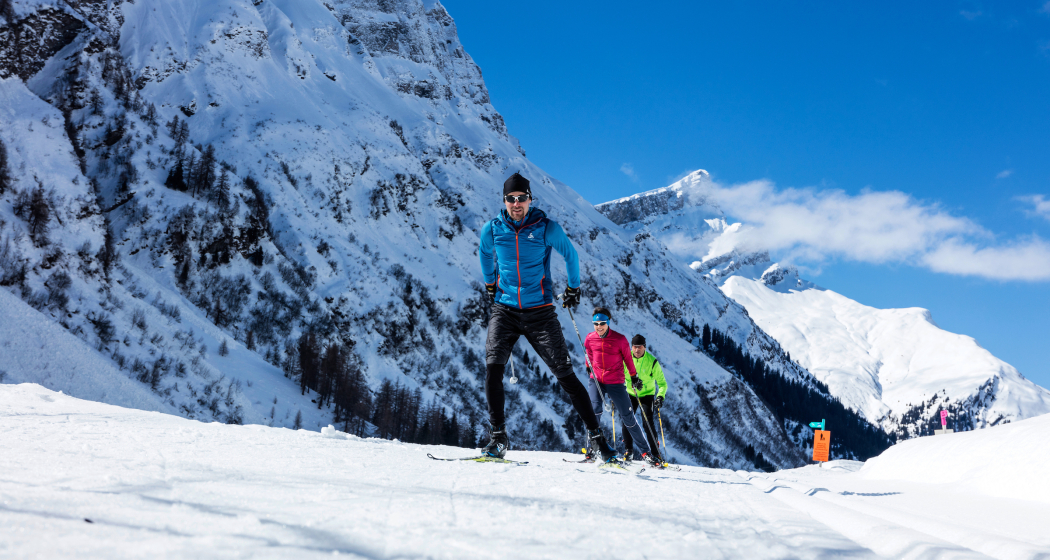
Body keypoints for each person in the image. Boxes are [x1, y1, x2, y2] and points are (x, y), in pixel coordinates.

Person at [478, 172, 617, 462]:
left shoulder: (546, 228)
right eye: (511, 199)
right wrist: (490, 283)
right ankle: (498, 438)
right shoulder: (492, 229)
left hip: (540, 311)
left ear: (530, 199)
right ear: (504, 201)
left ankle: (597, 440)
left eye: (521, 198)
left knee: (566, 376)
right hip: (505, 309)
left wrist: (573, 287)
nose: (516, 203)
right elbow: (484, 253)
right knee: (493, 370)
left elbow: (571, 255)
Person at [583, 306, 662, 468]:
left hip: (615, 382)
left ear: (608, 322)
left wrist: (633, 376)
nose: (599, 326)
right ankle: (592, 449)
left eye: (602, 323)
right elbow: (588, 353)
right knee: (594, 412)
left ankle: (646, 453)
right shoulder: (590, 338)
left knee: (628, 417)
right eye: (596, 323)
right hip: (596, 380)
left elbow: (628, 359)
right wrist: (588, 366)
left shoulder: (619, 339)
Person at [621, 334, 667, 463]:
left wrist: (660, 397)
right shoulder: (625, 359)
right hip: (630, 393)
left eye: (640, 347)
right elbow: (618, 375)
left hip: (647, 395)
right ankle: (628, 451)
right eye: (635, 347)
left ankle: (656, 454)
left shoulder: (652, 362)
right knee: (627, 420)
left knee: (647, 423)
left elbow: (662, 384)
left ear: (644, 347)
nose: (637, 349)